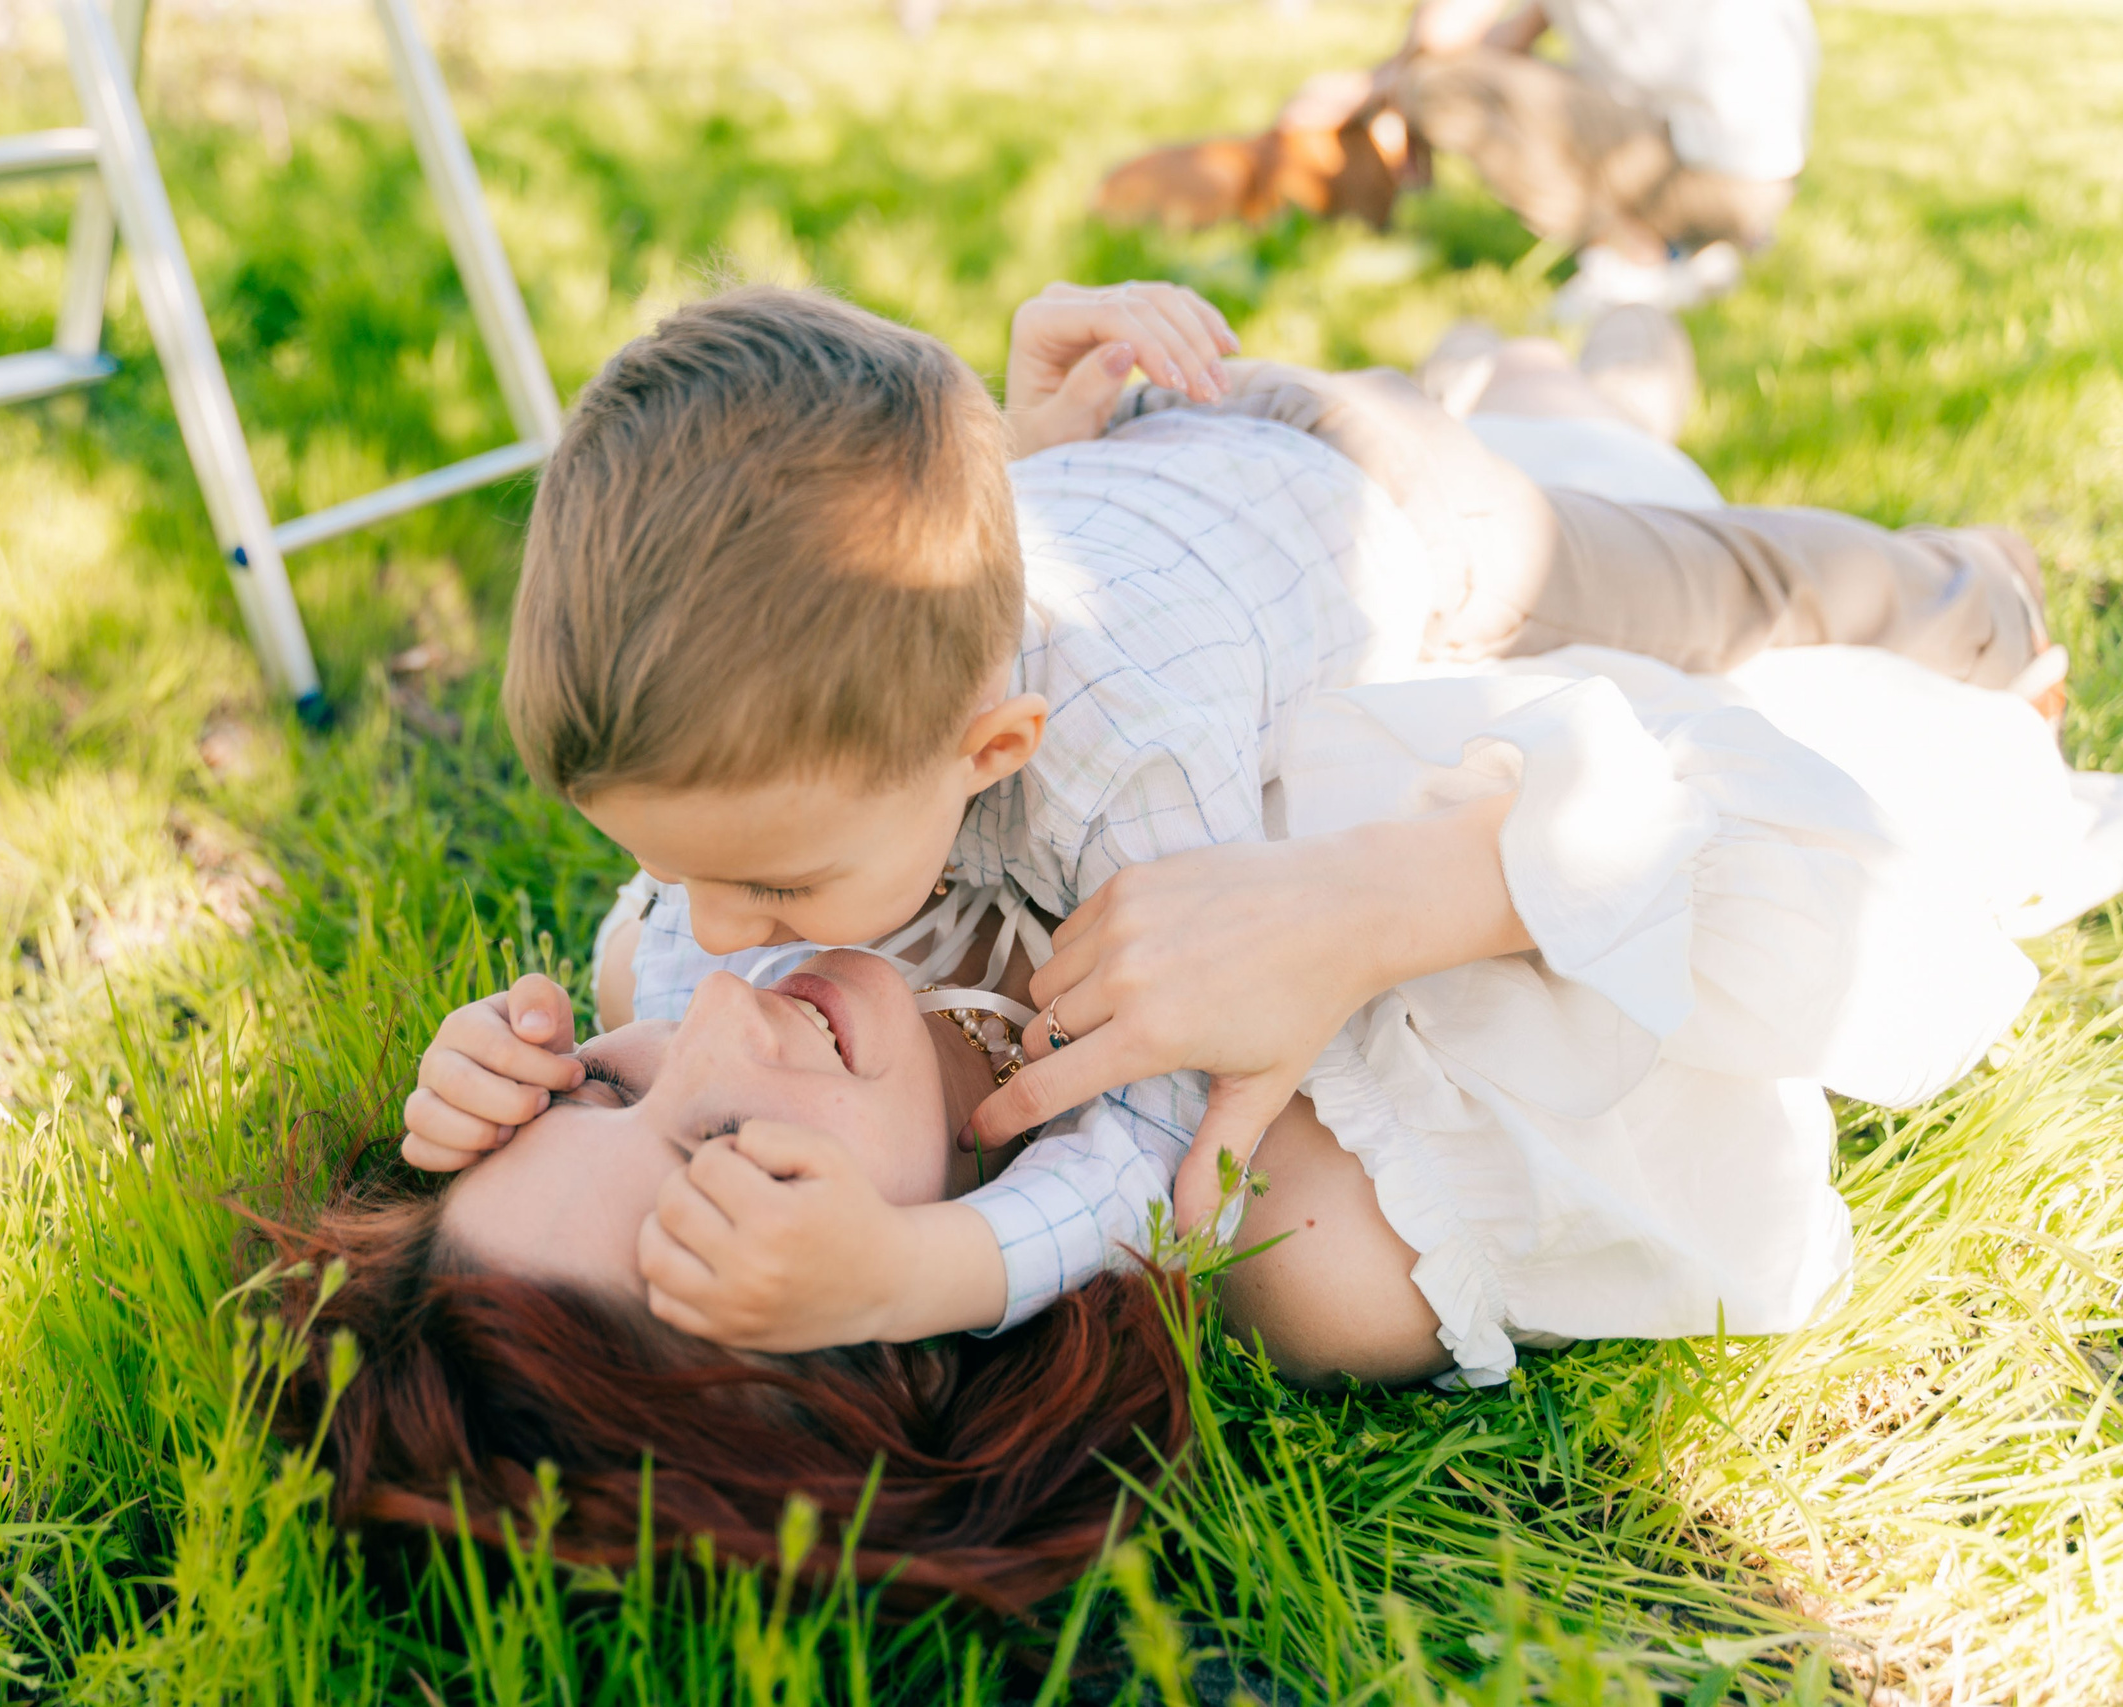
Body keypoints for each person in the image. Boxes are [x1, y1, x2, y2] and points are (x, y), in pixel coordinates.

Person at [408, 278, 2065, 1356]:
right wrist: (544, 1072)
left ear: (992, 748)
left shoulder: (1128, 769)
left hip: (1393, 515)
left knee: (1735, 587)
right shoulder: (819, 777)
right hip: (1138, 493)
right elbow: (695, 966)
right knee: (1578, 426)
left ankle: (1969, 588)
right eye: (665, 876)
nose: (717, 949)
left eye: (769, 886)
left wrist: (929, 1273)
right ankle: (1552, 352)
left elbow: (1155, 1114)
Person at [1333, 0, 1821, 316]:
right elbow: (1512, 38)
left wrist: (1371, 90)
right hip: (1767, 176)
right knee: (1492, 79)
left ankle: (1634, 257)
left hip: (1707, 168)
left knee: (1438, 87)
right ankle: (1697, 245)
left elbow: (1444, 31)